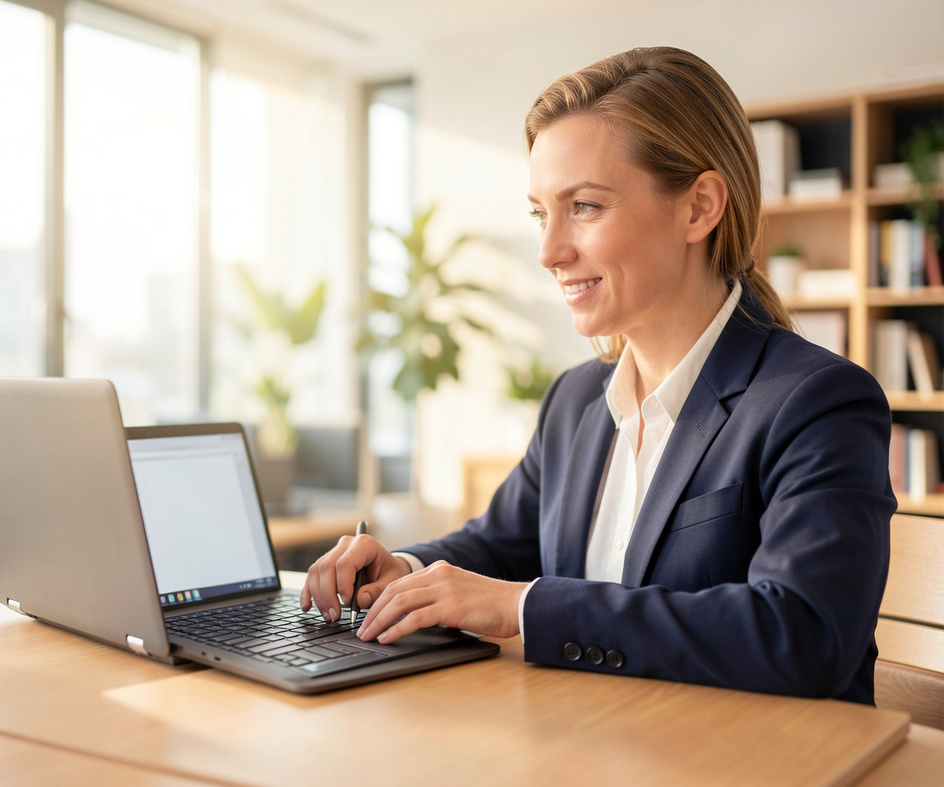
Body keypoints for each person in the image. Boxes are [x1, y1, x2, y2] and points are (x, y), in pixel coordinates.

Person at [300, 46, 895, 704]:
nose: (550, 251)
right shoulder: (577, 400)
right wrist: (405, 569)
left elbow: (802, 635)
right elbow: (501, 545)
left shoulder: (816, 402)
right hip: (592, 746)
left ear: (699, 207)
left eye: (584, 206)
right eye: (540, 212)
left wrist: (526, 609)